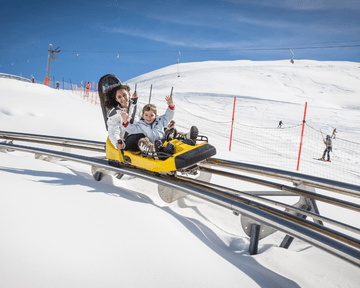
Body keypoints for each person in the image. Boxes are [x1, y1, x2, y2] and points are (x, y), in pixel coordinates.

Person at [120, 96, 198, 158]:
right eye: (146, 115)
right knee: (142, 141)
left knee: (171, 132)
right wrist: (125, 121)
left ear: (156, 116)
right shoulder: (140, 125)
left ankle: (186, 140)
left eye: (151, 115)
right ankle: (154, 151)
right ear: (142, 116)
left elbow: (168, 116)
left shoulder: (160, 120)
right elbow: (131, 129)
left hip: (163, 141)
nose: (148, 117)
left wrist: (171, 106)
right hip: (152, 145)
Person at [104, 83, 143, 152]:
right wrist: (117, 143)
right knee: (139, 136)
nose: (123, 98)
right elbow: (113, 132)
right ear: (116, 99)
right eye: (119, 97)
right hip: (127, 142)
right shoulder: (115, 114)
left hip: (142, 137)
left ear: (129, 94)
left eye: (124, 95)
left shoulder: (138, 107)